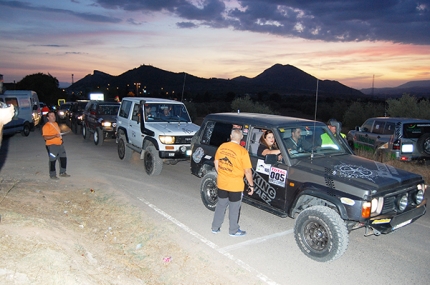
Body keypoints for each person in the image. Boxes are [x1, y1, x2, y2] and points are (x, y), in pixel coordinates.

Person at [211, 129, 254, 237]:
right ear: (241, 138)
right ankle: (233, 230)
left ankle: (215, 227)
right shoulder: (242, 151)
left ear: (231, 136)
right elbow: (247, 171)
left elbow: (216, 162)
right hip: (235, 185)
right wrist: (251, 185)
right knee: (234, 208)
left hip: (222, 183)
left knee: (221, 205)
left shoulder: (222, 147)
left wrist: (221, 173)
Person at [42, 111, 70, 180]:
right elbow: (45, 137)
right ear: (48, 118)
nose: (53, 117)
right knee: (53, 160)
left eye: (54, 115)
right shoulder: (46, 126)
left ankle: (62, 172)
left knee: (63, 158)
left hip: (60, 144)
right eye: (51, 116)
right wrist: (55, 136)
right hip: (51, 145)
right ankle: (52, 175)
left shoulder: (56, 124)